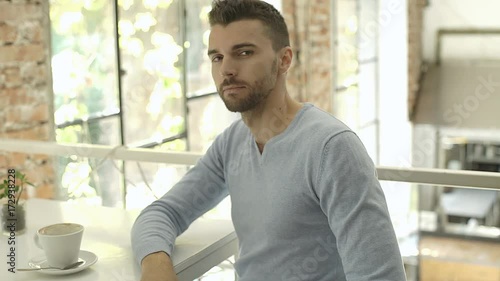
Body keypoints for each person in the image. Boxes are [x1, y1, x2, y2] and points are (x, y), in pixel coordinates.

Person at [131, 0, 407, 280]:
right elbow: (163, 213)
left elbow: (381, 276)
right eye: (217, 57)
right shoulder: (231, 144)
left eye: (244, 52)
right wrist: (156, 266)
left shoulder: (332, 148)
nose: (227, 69)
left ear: (284, 60)